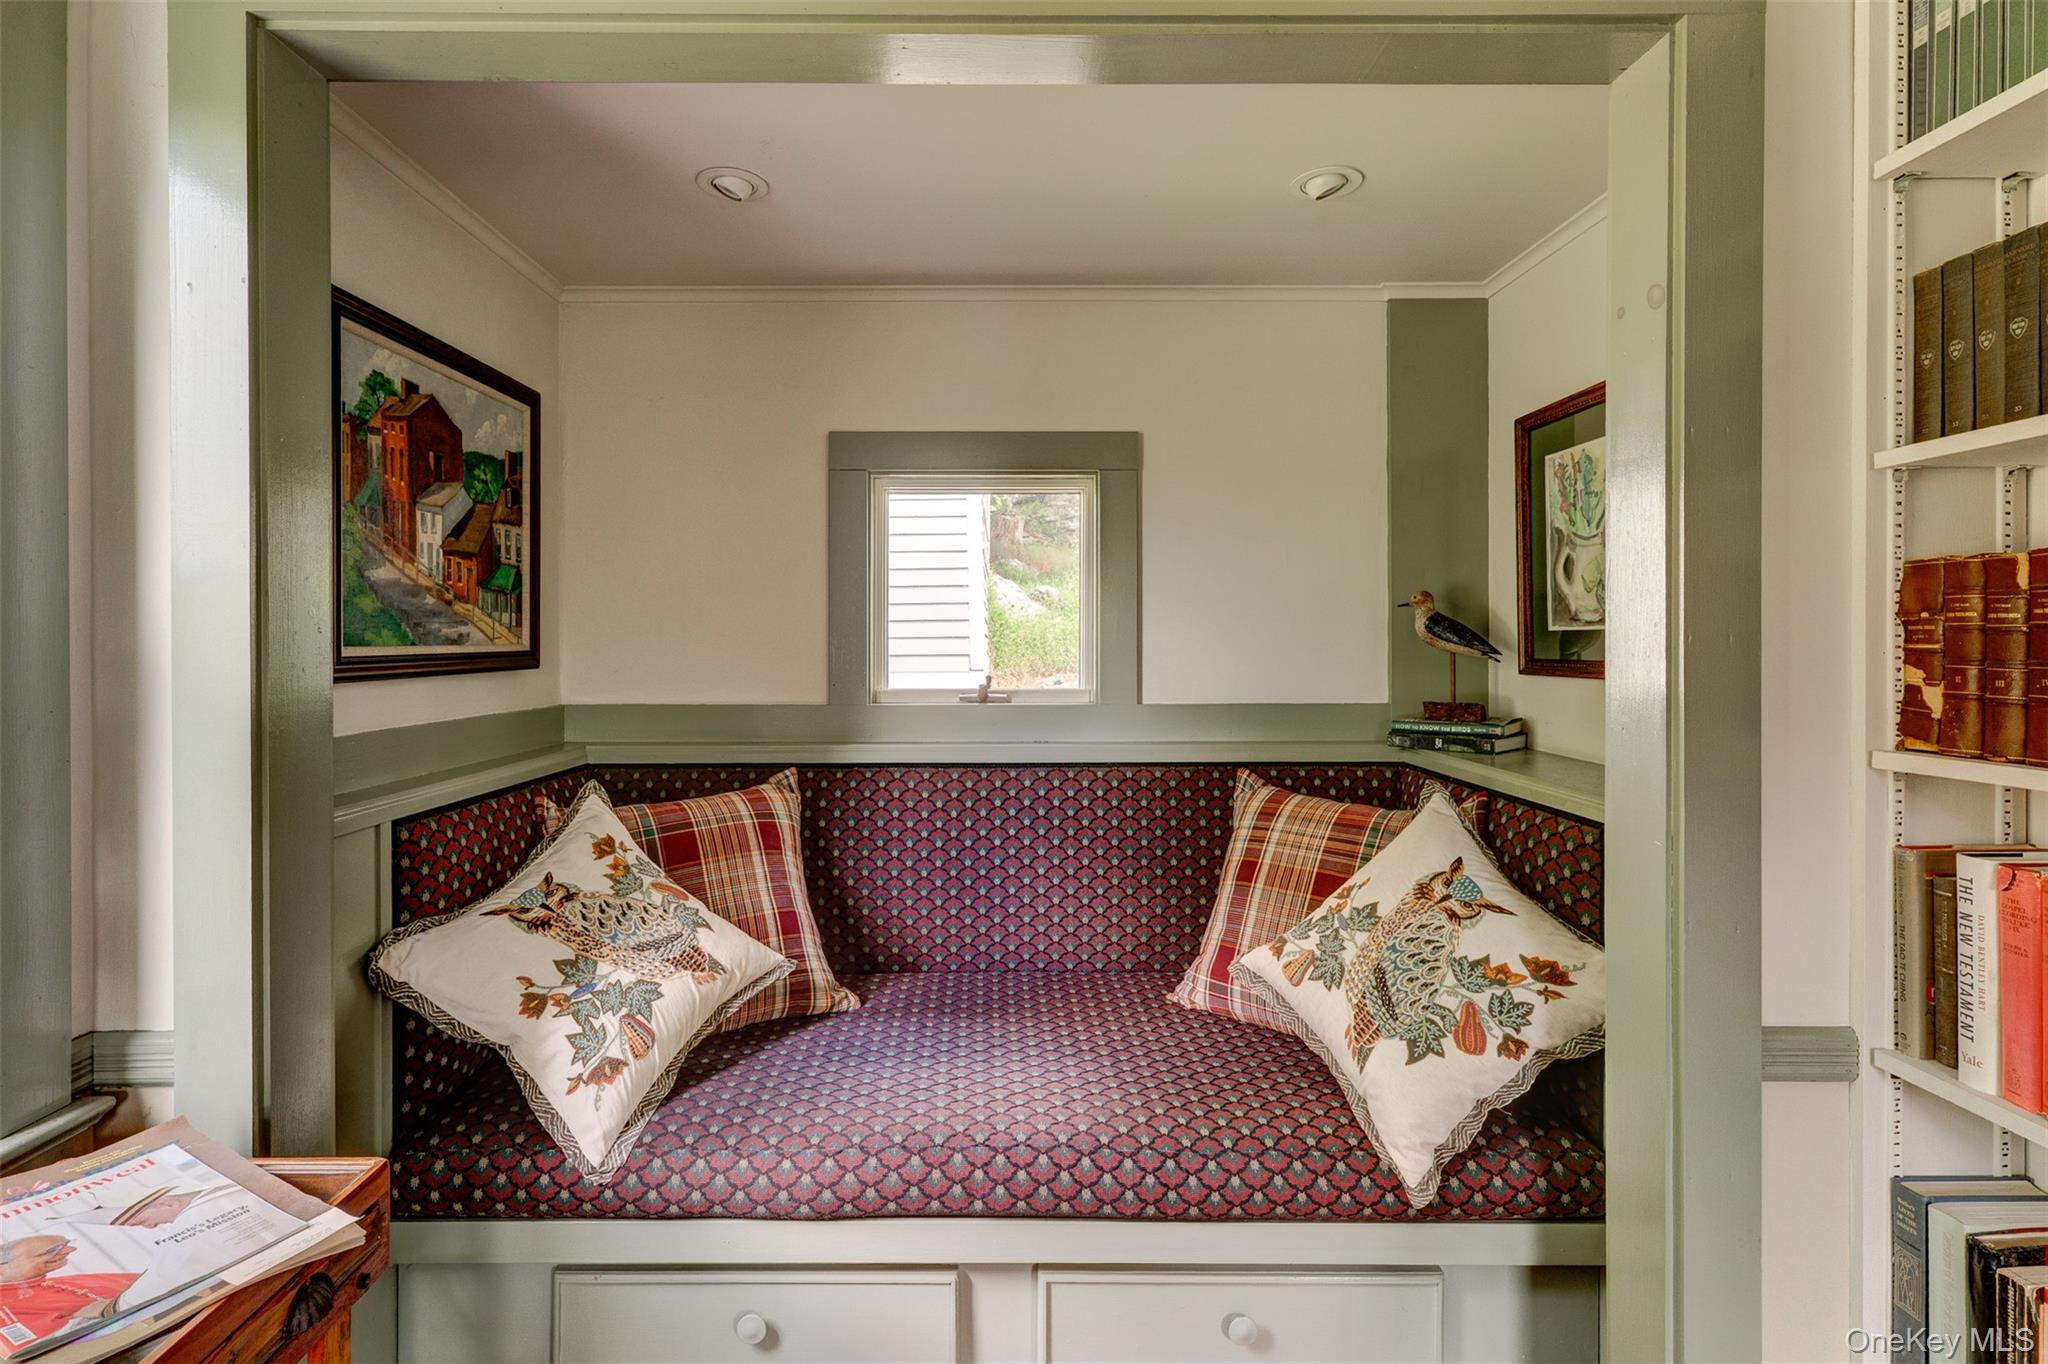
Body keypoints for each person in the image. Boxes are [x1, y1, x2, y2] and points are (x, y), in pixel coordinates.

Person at [0, 1234, 139, 1346]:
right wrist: (80, 1317)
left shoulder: (48, 1282)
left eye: (65, 1245)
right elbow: (37, 1347)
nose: (70, 1250)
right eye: (51, 1251)